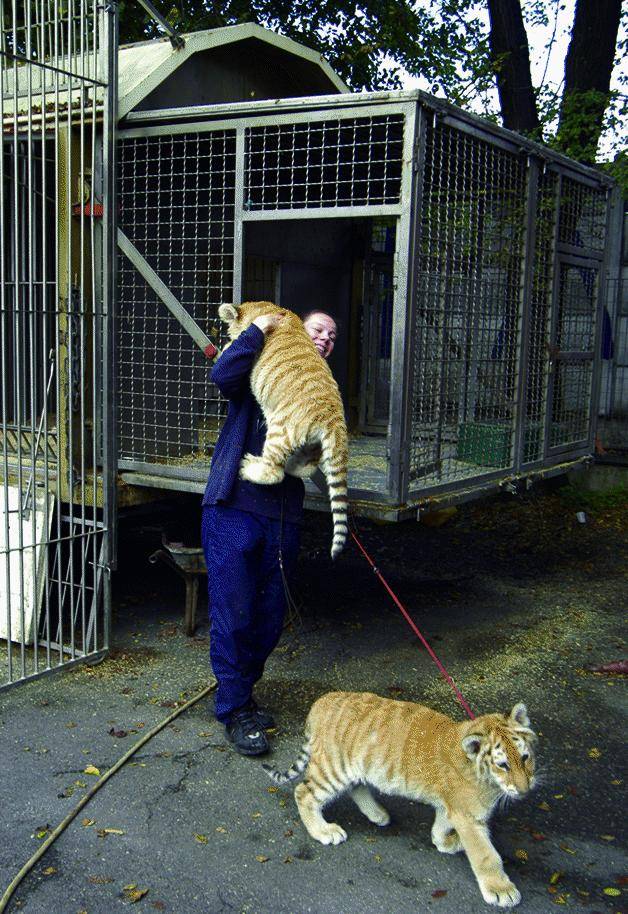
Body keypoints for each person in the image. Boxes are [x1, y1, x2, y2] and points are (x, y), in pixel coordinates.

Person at [201, 309, 338, 756]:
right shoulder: (261, 363)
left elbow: (321, 456)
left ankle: (242, 692)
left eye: (332, 336)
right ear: (297, 329)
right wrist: (259, 330)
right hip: (233, 508)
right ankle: (235, 708)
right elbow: (223, 373)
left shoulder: (319, 391)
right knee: (233, 614)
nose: (325, 339)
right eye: (318, 328)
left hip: (282, 517)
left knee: (270, 617)